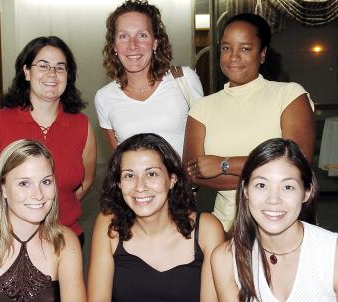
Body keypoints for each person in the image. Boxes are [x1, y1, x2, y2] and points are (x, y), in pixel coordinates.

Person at [183, 13, 315, 230]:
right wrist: (269, 177)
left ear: (262, 54)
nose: (233, 57)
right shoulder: (202, 107)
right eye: (226, 48)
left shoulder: (289, 95)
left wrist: (223, 164)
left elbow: (297, 162)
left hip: (281, 222)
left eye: (245, 48)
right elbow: (192, 173)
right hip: (224, 228)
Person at [0, 36, 96, 245]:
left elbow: (87, 180)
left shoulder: (82, 124)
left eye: (60, 67)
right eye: (43, 66)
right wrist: (4, 220)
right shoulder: (1, 121)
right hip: (12, 240)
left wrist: (51, 207)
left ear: (68, 75)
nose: (52, 74)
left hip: (65, 237)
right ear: (27, 72)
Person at [87, 133, 224, 302]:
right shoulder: (109, 224)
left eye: (151, 174)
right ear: (119, 183)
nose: (140, 187)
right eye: (129, 175)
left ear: (172, 179)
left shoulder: (207, 229)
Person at [0, 140, 86, 302]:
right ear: (3, 188)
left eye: (46, 182)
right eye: (24, 183)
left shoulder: (65, 242)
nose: (38, 194)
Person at [211, 138, 338, 302]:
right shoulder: (227, 258)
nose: (273, 199)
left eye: (288, 187)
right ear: (246, 190)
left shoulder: (332, 253)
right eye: (261, 185)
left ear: (307, 192)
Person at [95, 0, 203, 157]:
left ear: (155, 43)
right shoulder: (104, 97)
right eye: (123, 36)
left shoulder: (184, 79)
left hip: (183, 181)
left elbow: (205, 144)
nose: (133, 45)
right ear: (114, 46)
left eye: (142, 35)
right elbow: (118, 161)